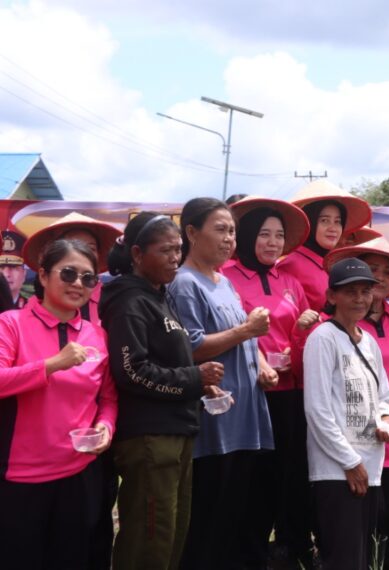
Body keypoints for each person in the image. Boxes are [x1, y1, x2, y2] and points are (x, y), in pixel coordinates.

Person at [100, 212, 224, 570]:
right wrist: (193, 377)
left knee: (172, 531)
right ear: (138, 254)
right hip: (151, 436)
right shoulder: (129, 302)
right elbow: (131, 371)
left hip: (178, 429)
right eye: (166, 250)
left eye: (179, 250)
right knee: (149, 536)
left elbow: (169, 363)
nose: (175, 258)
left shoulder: (160, 296)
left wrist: (202, 382)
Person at [168, 197, 277, 570]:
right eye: (220, 229)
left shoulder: (225, 281)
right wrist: (247, 329)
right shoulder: (184, 284)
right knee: (207, 517)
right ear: (192, 233)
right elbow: (192, 347)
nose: (229, 238)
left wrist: (261, 362)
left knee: (234, 513)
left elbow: (244, 338)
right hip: (213, 422)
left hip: (244, 415)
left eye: (232, 230)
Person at [0, 238, 117, 568]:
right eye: (68, 274)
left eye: (88, 278)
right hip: (20, 479)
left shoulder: (97, 334)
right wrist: (52, 364)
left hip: (79, 476)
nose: (78, 284)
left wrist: (105, 426)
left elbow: (107, 398)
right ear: (42, 275)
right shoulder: (11, 324)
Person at [221, 196, 321, 568]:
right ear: (247, 236)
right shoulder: (226, 277)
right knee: (252, 477)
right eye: (264, 234)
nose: (273, 242)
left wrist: (303, 330)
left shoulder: (290, 280)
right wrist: (259, 361)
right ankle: (247, 552)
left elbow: (302, 332)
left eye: (279, 235)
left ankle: (290, 547)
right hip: (249, 392)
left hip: (290, 390)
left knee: (291, 471)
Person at [323, 235, 389, 566]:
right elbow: (320, 402)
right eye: (373, 270)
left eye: (386, 272)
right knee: (355, 528)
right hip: (351, 442)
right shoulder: (340, 326)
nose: (379, 278)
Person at [304, 257, 389, 570]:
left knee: (364, 557)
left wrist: (386, 418)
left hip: (370, 465)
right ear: (332, 296)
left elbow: (382, 396)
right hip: (337, 470)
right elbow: (317, 410)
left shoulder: (369, 341)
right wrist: (349, 461)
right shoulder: (323, 338)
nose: (360, 298)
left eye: (365, 291)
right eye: (350, 292)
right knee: (343, 558)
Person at [278, 180, 374, 312]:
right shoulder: (291, 265)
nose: (333, 228)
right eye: (324, 221)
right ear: (309, 222)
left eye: (338, 222)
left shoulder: (332, 264)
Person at [23, 212, 122, 326]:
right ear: (44, 276)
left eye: (90, 248)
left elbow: (124, 343)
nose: (82, 253)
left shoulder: (112, 301)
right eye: (74, 245)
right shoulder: (19, 318)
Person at [1, 228, 28, 309]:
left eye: (13, 267)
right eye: (1, 267)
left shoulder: (31, 311)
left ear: (24, 273)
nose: (6, 274)